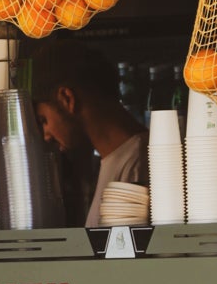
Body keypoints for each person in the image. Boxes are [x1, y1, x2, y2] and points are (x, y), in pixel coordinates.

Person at [29, 42, 147, 227]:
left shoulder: (138, 164)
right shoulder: (118, 159)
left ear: (67, 99)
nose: (46, 135)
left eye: (44, 120)